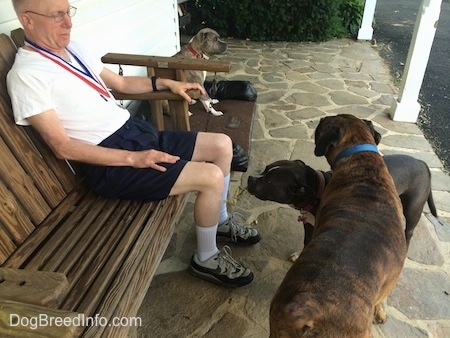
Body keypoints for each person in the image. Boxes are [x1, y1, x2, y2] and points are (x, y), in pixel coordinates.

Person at [7, 0, 260, 288]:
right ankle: (206, 256)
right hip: (110, 163)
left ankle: (222, 221)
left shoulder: (73, 49)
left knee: (223, 145)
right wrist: (133, 159)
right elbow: (62, 146)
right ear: (28, 20)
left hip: (135, 133)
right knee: (211, 177)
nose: (68, 23)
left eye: (68, 12)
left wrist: (168, 85)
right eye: (57, 16)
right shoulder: (27, 75)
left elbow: (123, 86)